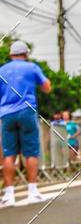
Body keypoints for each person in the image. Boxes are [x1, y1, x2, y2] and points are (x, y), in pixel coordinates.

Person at [0, 40, 51, 207]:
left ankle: (8, 195)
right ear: (26, 54)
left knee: (9, 154)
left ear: (10, 54)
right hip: (27, 111)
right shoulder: (32, 67)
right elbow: (47, 86)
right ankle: (32, 192)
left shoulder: (2, 70)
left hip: (6, 113)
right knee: (30, 151)